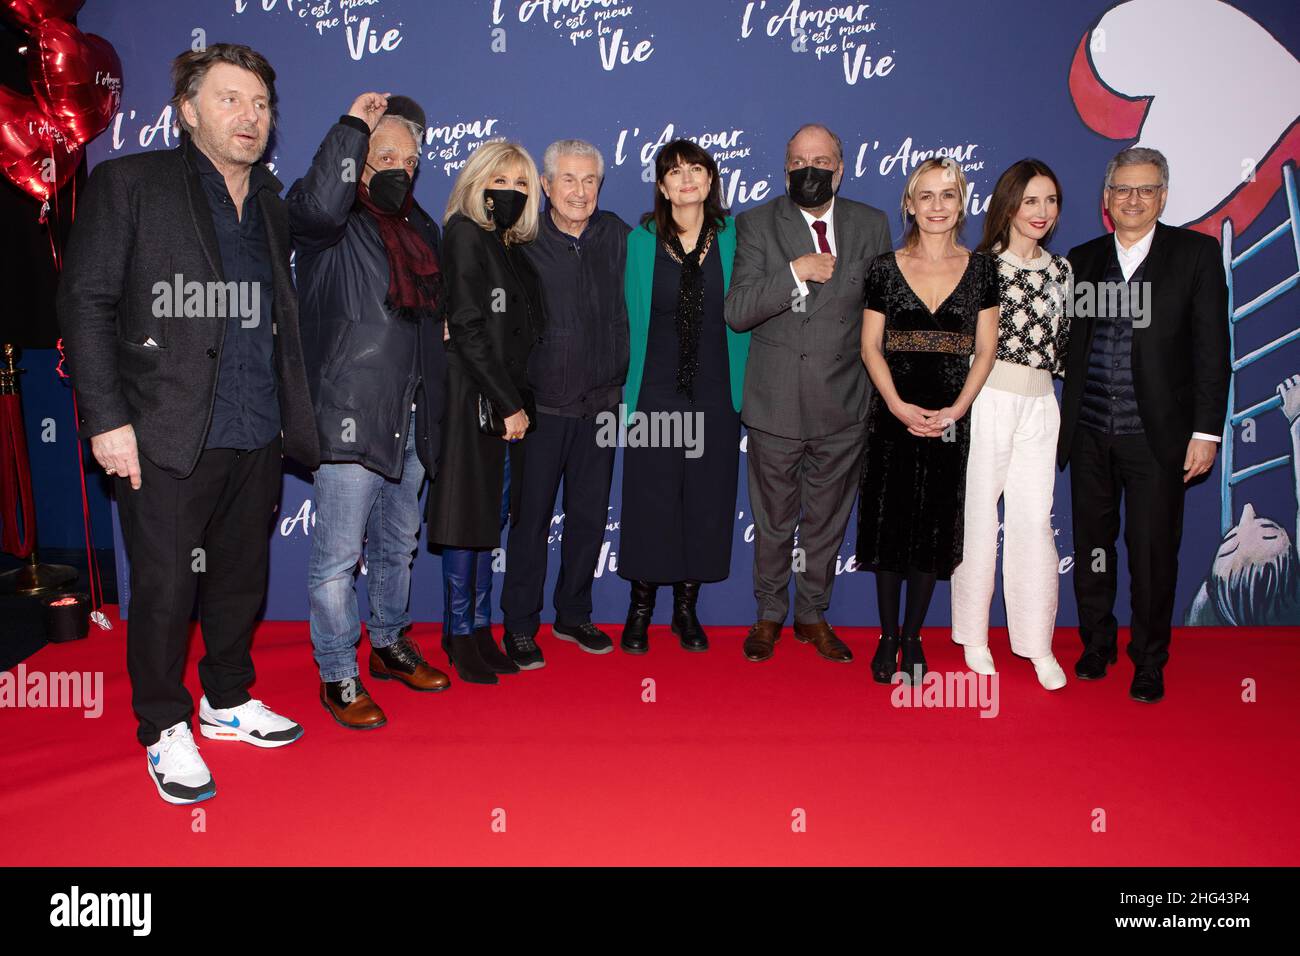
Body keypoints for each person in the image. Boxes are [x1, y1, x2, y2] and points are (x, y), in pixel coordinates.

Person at [58, 44, 319, 804]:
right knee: (168, 587)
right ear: (189, 111)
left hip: (256, 423)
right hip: (163, 428)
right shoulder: (132, 183)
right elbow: (87, 302)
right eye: (232, 99)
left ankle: (228, 700)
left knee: (239, 579)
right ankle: (164, 724)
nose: (251, 117)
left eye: (262, 104)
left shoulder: (269, 202)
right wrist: (107, 420)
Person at [289, 92, 450, 730]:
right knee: (335, 557)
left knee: (398, 542)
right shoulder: (328, 222)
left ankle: (387, 642)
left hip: (411, 411)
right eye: (385, 156)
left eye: (410, 162)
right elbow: (320, 196)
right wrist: (352, 123)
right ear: (358, 162)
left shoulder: (423, 230)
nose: (400, 169)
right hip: (349, 409)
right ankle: (337, 673)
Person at [1058, 146, 1229, 703]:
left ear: (1163, 196)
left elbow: (1212, 352)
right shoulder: (1081, 262)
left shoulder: (1195, 256)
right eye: (1123, 190)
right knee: (1093, 548)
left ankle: (1150, 658)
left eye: (1146, 189)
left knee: (1153, 553)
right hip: (1087, 433)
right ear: (1106, 199)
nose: (1134, 199)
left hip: (1157, 439)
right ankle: (1097, 643)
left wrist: (1207, 432)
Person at [725, 123, 891, 664]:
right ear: (785, 169)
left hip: (844, 403)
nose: (809, 170)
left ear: (840, 169)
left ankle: (812, 614)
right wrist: (795, 272)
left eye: (820, 161)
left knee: (826, 521)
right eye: (798, 162)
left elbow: (884, 314)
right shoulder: (756, 224)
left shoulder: (871, 224)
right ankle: (769, 614)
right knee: (773, 522)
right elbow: (739, 311)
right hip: (775, 404)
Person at [858, 157, 1000, 684]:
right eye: (927, 196)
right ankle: (888, 635)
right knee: (890, 527)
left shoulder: (983, 269)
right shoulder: (882, 266)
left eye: (947, 195)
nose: (937, 206)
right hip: (892, 413)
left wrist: (956, 410)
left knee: (931, 529)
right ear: (910, 204)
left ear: (962, 204)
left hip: (951, 416)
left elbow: (985, 351)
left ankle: (915, 636)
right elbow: (870, 347)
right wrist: (896, 405)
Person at [500, 139, 630, 667]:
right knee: (529, 520)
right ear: (547, 186)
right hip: (541, 408)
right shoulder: (521, 241)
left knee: (588, 518)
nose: (579, 192)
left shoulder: (619, 235)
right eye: (568, 181)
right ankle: (519, 624)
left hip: (601, 407)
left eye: (590, 181)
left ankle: (574, 614)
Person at [618, 139, 749, 654]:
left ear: (711, 181)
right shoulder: (640, 241)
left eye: (696, 169)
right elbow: (626, 318)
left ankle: (685, 610)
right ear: (662, 185)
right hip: (654, 391)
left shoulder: (738, 237)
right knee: (651, 501)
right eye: (674, 171)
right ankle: (641, 608)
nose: (686, 178)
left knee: (707, 500)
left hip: (717, 391)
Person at [950, 159, 1072, 690]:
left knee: (1032, 520)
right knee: (977, 517)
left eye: (1049, 201)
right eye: (1030, 201)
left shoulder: (1063, 271)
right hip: (988, 398)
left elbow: (1063, 344)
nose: (1040, 212)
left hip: (1042, 404)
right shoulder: (981, 267)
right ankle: (973, 636)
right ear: (1008, 207)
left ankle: (1036, 643)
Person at [427, 141, 545, 684]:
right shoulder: (464, 234)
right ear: (478, 182)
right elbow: (470, 329)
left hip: (501, 403)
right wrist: (509, 404)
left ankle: (478, 627)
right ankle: (458, 633)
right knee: (465, 518)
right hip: (476, 399)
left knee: (486, 521)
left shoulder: (509, 249)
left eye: (523, 185)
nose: (512, 192)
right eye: (502, 180)